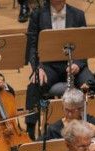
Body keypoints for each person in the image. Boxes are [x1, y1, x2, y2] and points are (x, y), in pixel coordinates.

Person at [23, 0, 89, 132]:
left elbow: (85, 45)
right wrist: (37, 68)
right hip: (49, 66)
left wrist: (78, 63)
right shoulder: (37, 14)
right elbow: (32, 46)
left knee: (90, 82)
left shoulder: (78, 15)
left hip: (73, 64)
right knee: (35, 84)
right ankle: (30, 129)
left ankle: (91, 124)